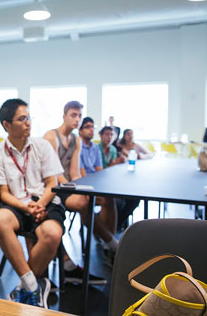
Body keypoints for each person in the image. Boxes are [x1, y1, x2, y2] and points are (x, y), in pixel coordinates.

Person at [0, 99, 64, 308]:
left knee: (52, 233)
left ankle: (24, 287)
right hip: (18, 204)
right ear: (7, 125)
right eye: (22, 119)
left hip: (45, 201)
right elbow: (3, 193)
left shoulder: (42, 146)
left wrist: (40, 205)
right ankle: (33, 285)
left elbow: (52, 184)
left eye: (28, 118)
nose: (28, 122)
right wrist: (26, 207)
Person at [44, 102, 109, 281]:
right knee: (82, 201)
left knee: (88, 199)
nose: (77, 119)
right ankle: (110, 243)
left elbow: (73, 171)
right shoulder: (51, 137)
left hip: (65, 185)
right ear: (64, 116)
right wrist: (75, 189)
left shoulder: (76, 140)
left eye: (79, 115)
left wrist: (79, 187)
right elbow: (53, 173)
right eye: (73, 115)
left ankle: (109, 243)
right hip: (51, 185)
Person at [78, 117, 118, 265]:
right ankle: (112, 244)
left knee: (110, 198)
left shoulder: (94, 148)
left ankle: (110, 244)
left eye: (92, 126)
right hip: (82, 185)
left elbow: (99, 170)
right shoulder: (78, 146)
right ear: (80, 130)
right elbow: (81, 173)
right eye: (87, 126)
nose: (91, 129)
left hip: (94, 183)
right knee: (89, 203)